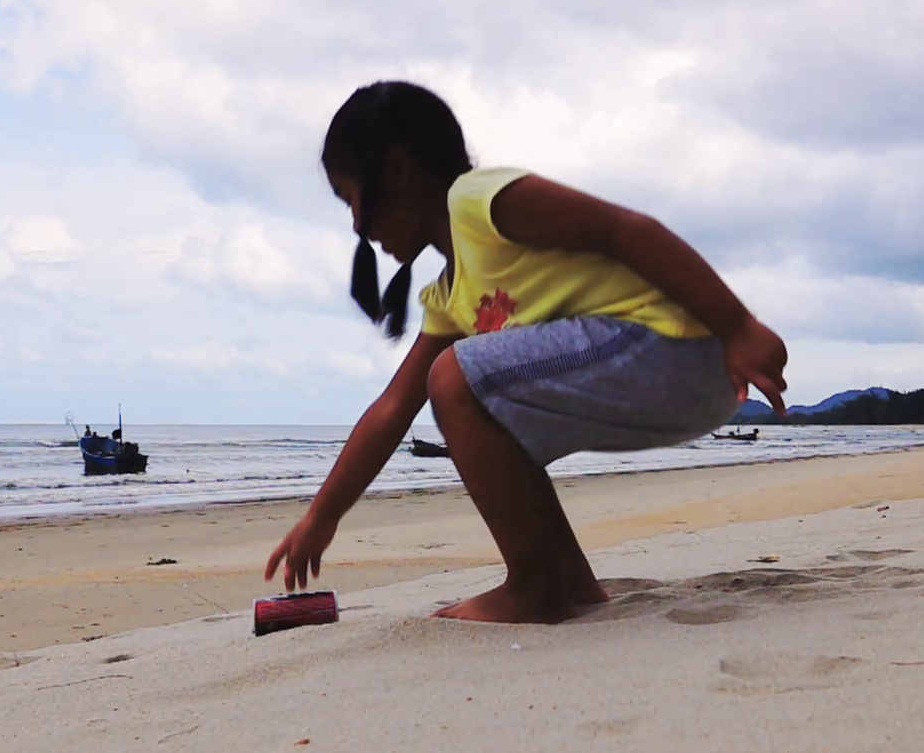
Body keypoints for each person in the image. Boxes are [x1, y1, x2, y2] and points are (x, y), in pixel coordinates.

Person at [264, 80, 788, 623]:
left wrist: (736, 326)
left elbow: (623, 230)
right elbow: (393, 408)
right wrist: (321, 516)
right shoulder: (450, 295)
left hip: (674, 347)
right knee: (481, 404)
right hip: (671, 378)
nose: (355, 223)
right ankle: (570, 583)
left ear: (396, 172)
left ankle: (533, 587)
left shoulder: (476, 201)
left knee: (454, 379)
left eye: (351, 198)